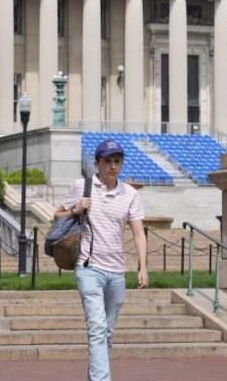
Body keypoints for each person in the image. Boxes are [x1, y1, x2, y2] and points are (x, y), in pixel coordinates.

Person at [57, 138, 148, 381]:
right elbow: (56, 216)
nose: (113, 166)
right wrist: (76, 209)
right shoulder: (82, 186)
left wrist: (143, 267)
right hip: (89, 268)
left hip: (117, 272)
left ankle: (95, 376)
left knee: (106, 331)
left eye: (117, 161)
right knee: (97, 328)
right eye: (107, 161)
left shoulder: (129, 194)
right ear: (97, 163)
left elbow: (139, 233)